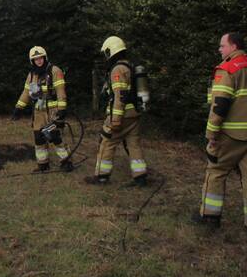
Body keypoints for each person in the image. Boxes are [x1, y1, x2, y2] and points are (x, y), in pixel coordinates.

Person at [192, 32, 247, 235]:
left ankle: (209, 216)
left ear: (233, 46)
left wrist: (211, 133)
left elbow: (220, 105)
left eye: (222, 46)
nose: (219, 50)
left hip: (231, 135)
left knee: (215, 171)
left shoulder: (226, 69)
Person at [85, 36, 148, 185]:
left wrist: (115, 120)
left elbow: (120, 97)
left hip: (123, 114)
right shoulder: (130, 66)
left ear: (110, 51)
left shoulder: (117, 70)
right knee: (133, 144)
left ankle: (101, 176)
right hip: (135, 114)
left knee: (107, 142)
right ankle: (140, 176)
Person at [11, 46, 72, 172]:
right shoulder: (32, 74)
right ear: (32, 61)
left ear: (45, 58)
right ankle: (43, 164)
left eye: (40, 58)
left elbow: (61, 91)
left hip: (53, 111)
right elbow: (26, 92)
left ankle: (66, 162)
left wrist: (62, 109)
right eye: (35, 59)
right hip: (38, 112)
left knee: (55, 137)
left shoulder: (54, 71)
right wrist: (19, 108)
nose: (38, 61)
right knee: (39, 138)